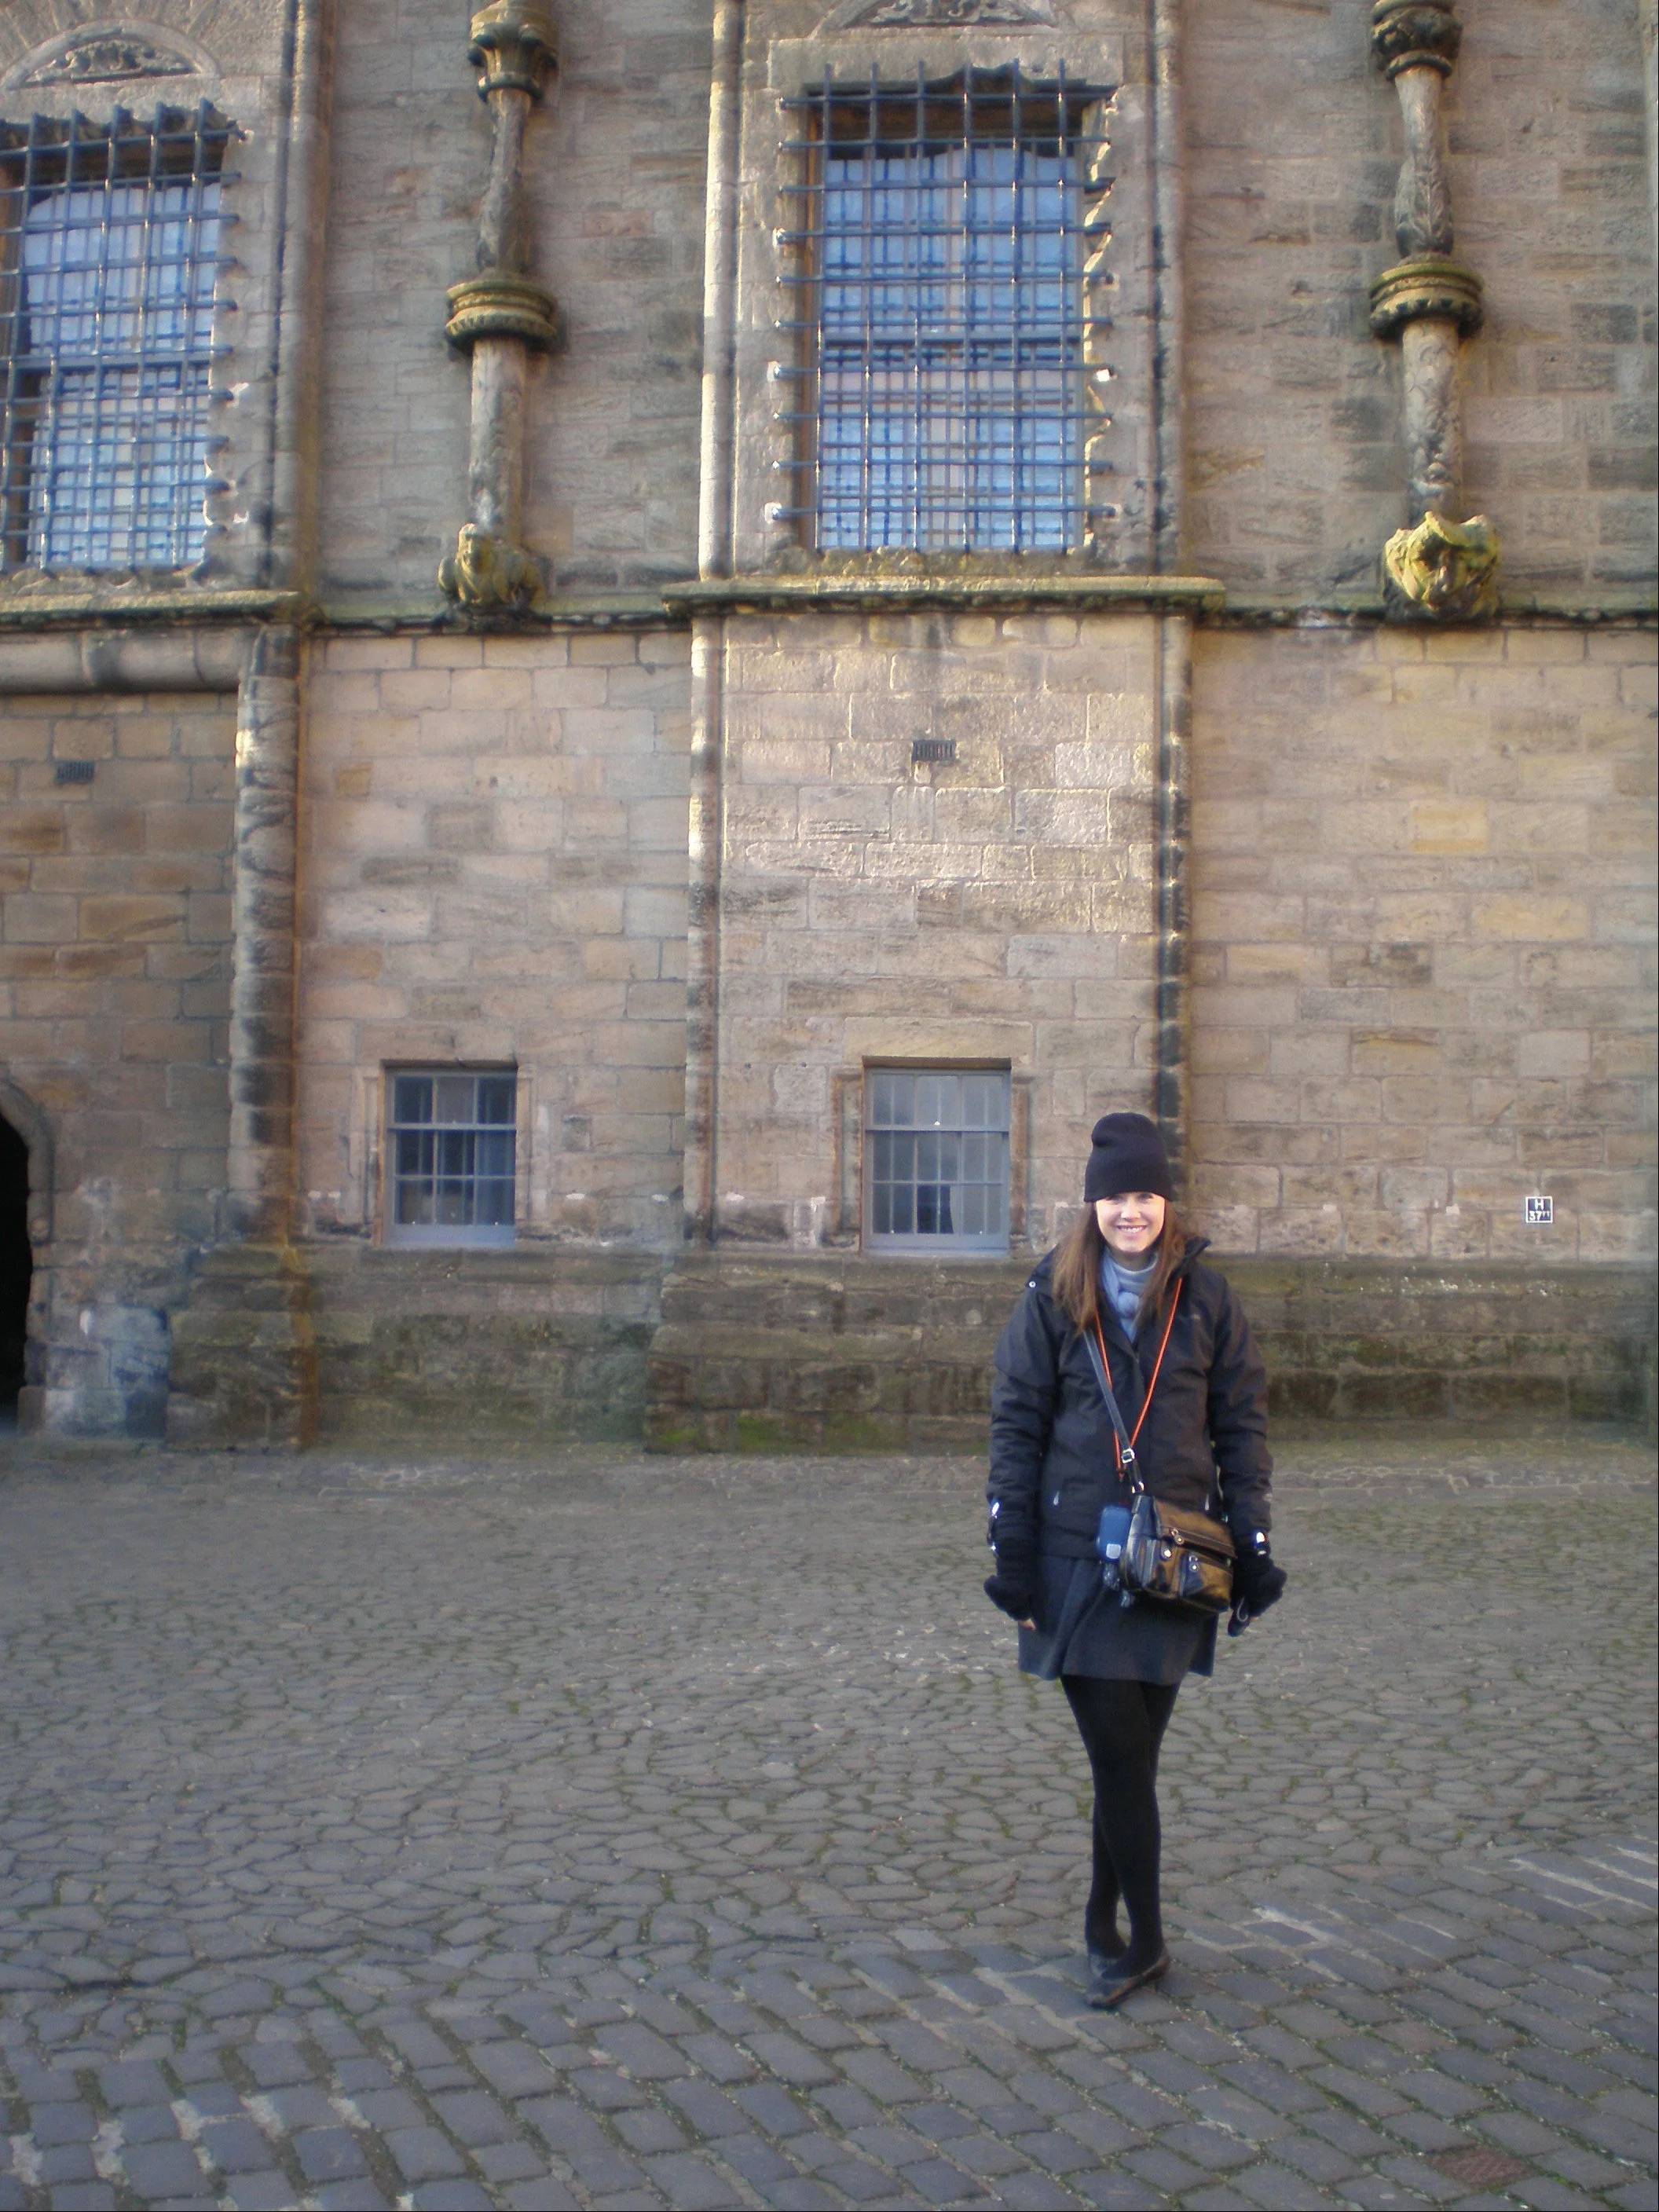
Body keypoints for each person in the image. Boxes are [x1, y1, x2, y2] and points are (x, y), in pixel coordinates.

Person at [984, 1111, 1285, 2008]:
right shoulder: (1051, 1295)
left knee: (1132, 1766)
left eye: (1146, 1195)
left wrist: (1254, 1544)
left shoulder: (1209, 1300)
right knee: (1120, 1759)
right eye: (1115, 1196)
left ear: (1166, 1203)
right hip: (1077, 1560)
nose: (1131, 1212)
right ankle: (1146, 1939)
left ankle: (1098, 1920)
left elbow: (1242, 1429)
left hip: (1175, 1561)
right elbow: (1016, 1427)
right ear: (1092, 1204)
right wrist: (1012, 1553)